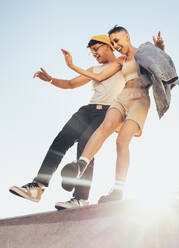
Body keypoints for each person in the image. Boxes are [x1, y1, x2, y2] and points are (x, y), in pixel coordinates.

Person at [9, 33, 165, 209]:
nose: (94, 54)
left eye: (96, 49)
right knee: (60, 142)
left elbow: (147, 65)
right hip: (87, 110)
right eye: (91, 52)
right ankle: (38, 186)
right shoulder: (92, 69)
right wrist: (51, 80)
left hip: (107, 111)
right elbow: (70, 84)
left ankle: (80, 198)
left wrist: (158, 50)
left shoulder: (122, 62)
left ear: (108, 46)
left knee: (85, 146)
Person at [60, 26, 170, 203]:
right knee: (105, 126)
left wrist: (160, 49)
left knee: (121, 141)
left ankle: (117, 190)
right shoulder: (121, 61)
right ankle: (80, 165)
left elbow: (160, 66)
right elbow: (98, 77)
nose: (115, 45)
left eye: (117, 41)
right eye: (112, 43)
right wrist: (72, 65)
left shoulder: (143, 52)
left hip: (139, 101)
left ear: (127, 36)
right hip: (122, 98)